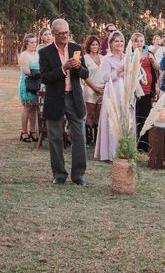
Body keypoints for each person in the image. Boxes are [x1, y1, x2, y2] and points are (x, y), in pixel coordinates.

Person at [39, 19, 89, 185]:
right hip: (55, 99)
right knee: (55, 138)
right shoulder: (45, 53)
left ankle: (78, 175)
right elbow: (45, 77)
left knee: (79, 137)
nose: (65, 36)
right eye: (61, 34)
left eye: (67, 33)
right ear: (53, 33)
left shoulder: (76, 48)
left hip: (74, 98)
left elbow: (85, 73)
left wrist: (77, 67)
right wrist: (63, 69)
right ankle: (59, 174)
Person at [94, 31, 133, 162]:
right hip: (113, 91)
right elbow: (105, 77)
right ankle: (111, 153)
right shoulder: (106, 59)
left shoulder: (128, 56)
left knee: (126, 119)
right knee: (113, 120)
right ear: (110, 44)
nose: (119, 43)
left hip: (126, 90)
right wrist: (118, 70)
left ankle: (126, 151)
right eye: (116, 41)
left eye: (121, 41)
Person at [130, 33, 159, 152]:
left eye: (141, 41)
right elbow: (129, 70)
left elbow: (158, 68)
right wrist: (139, 60)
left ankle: (144, 144)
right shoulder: (131, 55)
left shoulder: (150, 54)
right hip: (136, 91)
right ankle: (134, 143)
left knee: (145, 117)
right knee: (135, 117)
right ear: (132, 43)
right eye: (136, 41)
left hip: (147, 91)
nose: (139, 43)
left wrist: (152, 61)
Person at [82, 35, 104, 146]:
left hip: (102, 89)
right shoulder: (85, 58)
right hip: (90, 88)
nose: (95, 46)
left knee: (99, 115)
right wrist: (94, 88)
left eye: (96, 44)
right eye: (92, 44)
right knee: (90, 114)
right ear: (88, 46)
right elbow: (84, 76)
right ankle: (88, 139)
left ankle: (97, 139)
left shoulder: (103, 58)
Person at [18, 34, 40, 142]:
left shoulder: (37, 54)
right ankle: (24, 132)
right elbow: (27, 71)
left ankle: (33, 131)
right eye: (31, 42)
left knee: (34, 108)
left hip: (37, 85)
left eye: (35, 42)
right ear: (26, 44)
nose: (34, 44)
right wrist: (40, 73)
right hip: (27, 85)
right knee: (27, 107)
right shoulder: (24, 55)